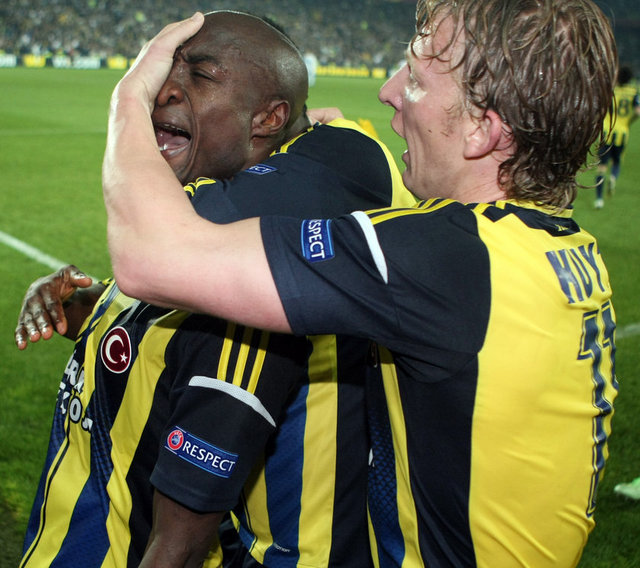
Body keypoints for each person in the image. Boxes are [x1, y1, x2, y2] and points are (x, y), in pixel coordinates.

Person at [102, 1, 620, 566]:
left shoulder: (442, 260)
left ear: (482, 130)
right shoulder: (557, 249)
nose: (389, 91)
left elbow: (149, 257)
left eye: (415, 79)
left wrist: (131, 96)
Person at [17, 10, 414, 568]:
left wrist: (126, 96)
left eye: (200, 76)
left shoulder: (248, 285)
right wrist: (81, 304)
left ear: (269, 118)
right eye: (164, 72)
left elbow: (178, 546)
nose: (163, 90)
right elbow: (144, 344)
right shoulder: (210, 228)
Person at [594, 65, 639, 208]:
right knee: (617, 162)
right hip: (622, 132)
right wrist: (629, 121)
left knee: (601, 166)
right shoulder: (633, 92)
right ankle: (613, 177)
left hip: (607, 131)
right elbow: (638, 112)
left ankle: (599, 199)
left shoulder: (610, 90)